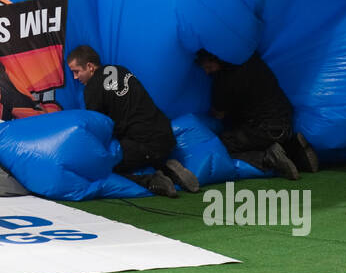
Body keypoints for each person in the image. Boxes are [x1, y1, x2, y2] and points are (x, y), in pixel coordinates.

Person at [67, 45, 200, 198]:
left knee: (103, 165)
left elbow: (98, 130)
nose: (76, 78)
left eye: (76, 72)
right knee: (137, 144)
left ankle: (151, 181)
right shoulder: (121, 70)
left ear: (90, 67)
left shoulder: (92, 88)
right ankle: (166, 167)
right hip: (166, 136)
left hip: (144, 144)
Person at [194, 49, 319, 180]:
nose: (207, 72)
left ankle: (267, 158)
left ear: (217, 59)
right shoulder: (252, 58)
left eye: (208, 67)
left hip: (261, 130)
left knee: (220, 147)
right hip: (286, 123)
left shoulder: (222, 79)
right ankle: (295, 150)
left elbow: (218, 114)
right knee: (258, 134)